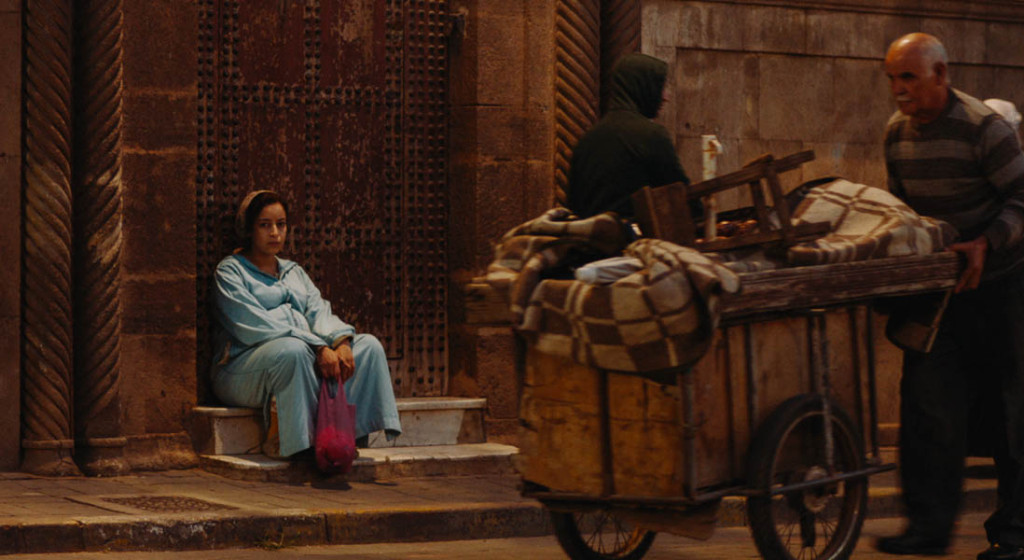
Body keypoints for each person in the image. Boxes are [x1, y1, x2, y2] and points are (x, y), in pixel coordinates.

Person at [876, 33, 1024, 560]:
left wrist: (987, 242)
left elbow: (1022, 198)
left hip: (1003, 287)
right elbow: (900, 209)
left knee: (1012, 413)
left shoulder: (984, 128)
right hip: (941, 292)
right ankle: (928, 528)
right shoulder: (896, 134)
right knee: (927, 406)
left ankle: (1014, 534)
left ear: (940, 74)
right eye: (892, 78)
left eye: (909, 77)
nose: (899, 89)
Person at [210, 190, 401, 459]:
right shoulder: (230, 272)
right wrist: (317, 347)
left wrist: (341, 342)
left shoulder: (294, 271)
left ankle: (346, 438)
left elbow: (318, 311)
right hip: (241, 369)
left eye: (281, 224)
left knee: (368, 347)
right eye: (264, 225)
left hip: (303, 355)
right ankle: (299, 446)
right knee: (293, 350)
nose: (275, 233)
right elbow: (253, 325)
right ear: (249, 230)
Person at [566, 52, 692, 219]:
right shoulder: (651, 136)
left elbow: (574, 207)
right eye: (660, 87)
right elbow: (683, 201)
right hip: (634, 234)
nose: (665, 97)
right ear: (643, 86)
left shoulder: (586, 141)